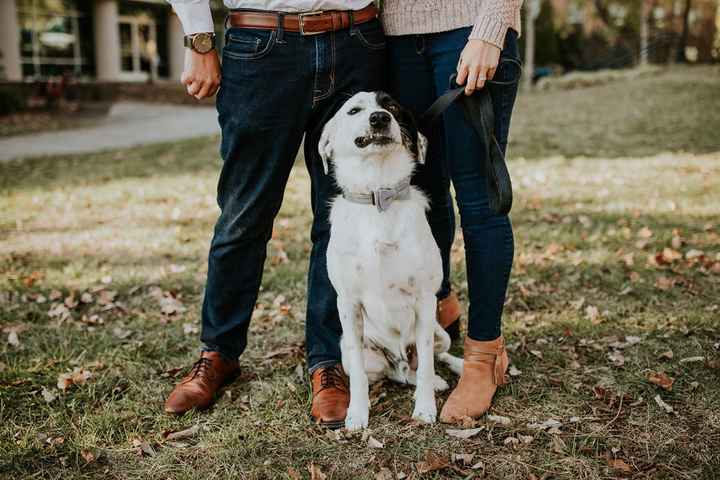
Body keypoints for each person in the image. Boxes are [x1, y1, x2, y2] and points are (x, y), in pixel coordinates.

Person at [162, 0, 388, 429]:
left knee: (340, 218)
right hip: (261, 45)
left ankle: (328, 360)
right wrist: (199, 37)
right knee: (243, 216)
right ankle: (219, 352)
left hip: (357, 41)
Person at [381, 0, 524, 423]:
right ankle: (441, 301)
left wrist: (491, 28)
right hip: (396, 39)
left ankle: (484, 354)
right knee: (422, 194)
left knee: (479, 201)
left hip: (469, 28)